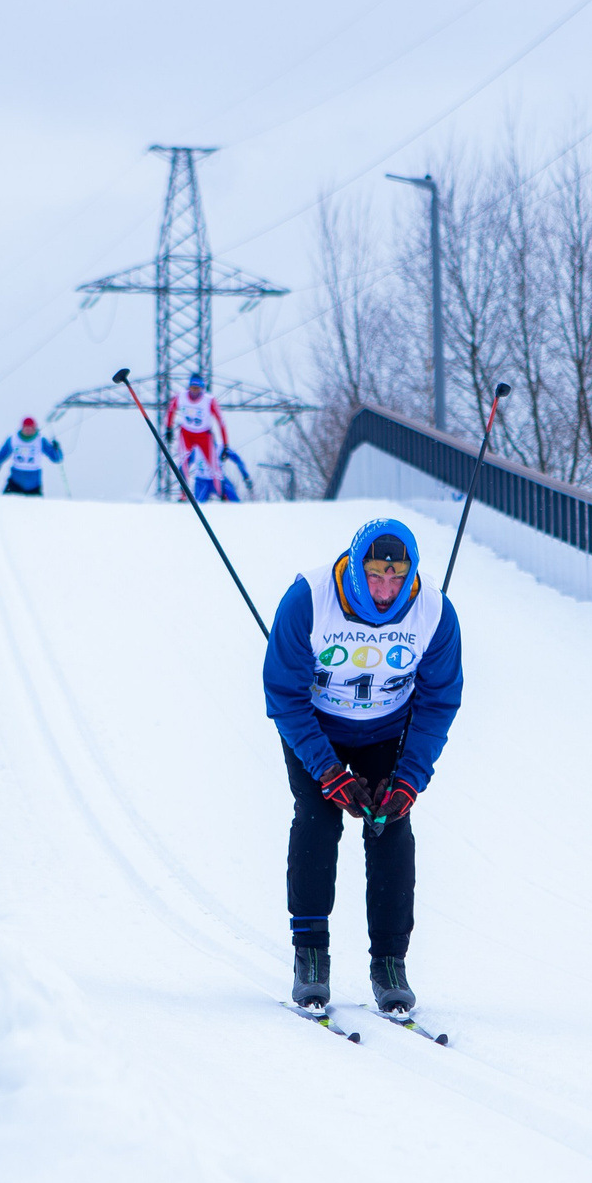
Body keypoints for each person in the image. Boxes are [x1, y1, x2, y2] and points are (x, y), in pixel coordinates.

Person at [263, 518, 463, 1016]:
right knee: (317, 817)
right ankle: (310, 956)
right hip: (317, 727)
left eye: (397, 579)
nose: (384, 590)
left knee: (391, 826)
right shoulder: (307, 600)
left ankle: (390, 963)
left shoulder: (434, 613)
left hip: (385, 731)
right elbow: (284, 696)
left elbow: (439, 701)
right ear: (355, 568)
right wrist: (328, 772)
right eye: (375, 576)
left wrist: (410, 779)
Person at [165, 372, 230, 500]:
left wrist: (225, 444)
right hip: (186, 434)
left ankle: (222, 494)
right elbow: (171, 410)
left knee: (214, 465)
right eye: (192, 388)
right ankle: (183, 493)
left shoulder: (209, 401)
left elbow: (221, 421)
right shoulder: (181, 397)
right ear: (189, 387)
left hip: (204, 435)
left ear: (202, 389)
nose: (194, 391)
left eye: (197, 389)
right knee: (183, 461)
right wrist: (169, 428)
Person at [0, 416, 63, 495]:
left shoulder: (41, 440)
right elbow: (2, 453)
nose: (28, 430)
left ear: (34, 428)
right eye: (26, 428)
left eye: (31, 428)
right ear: (22, 428)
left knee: (37, 507)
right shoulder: (13, 439)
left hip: (34, 485)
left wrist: (57, 448)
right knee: (5, 504)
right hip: (15, 482)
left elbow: (57, 458)